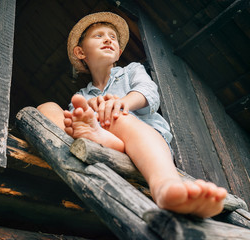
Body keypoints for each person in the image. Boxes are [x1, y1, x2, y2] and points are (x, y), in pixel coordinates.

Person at [37, 12, 227, 218]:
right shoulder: (81, 96)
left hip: (143, 142)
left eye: (113, 37)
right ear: (80, 52)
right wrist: (87, 114)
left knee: (120, 117)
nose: (108, 39)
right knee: (46, 107)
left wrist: (121, 103)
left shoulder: (131, 71)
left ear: (118, 53)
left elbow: (148, 91)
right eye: (99, 35)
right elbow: (73, 119)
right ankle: (103, 139)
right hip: (102, 139)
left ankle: (165, 186)